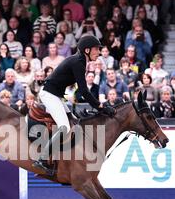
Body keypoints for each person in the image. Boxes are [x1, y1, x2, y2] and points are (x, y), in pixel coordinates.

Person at [32, 35, 115, 174]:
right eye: (96, 49)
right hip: (49, 95)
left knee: (73, 121)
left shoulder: (80, 60)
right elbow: (83, 90)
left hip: (56, 95)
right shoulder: (78, 62)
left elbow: (80, 91)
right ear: (87, 50)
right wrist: (100, 106)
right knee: (64, 127)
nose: (98, 52)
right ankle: (43, 159)